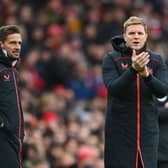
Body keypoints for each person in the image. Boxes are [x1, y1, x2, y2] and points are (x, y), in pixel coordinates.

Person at [102, 16, 168, 168]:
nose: (136, 37)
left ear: (146, 35)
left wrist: (146, 75)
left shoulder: (157, 60)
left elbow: (162, 91)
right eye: (132, 33)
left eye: (139, 33)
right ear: (125, 36)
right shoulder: (111, 59)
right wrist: (133, 70)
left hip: (148, 132)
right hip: (120, 132)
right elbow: (114, 88)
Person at [0, 25, 24, 167]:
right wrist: (3, 124)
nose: (17, 47)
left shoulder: (12, 70)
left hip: (14, 138)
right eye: (12, 43)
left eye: (19, 43)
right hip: (3, 137)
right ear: (1, 43)